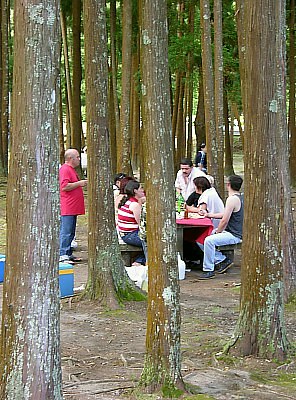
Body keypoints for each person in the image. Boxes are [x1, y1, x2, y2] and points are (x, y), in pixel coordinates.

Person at [199, 175, 244, 279]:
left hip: (235, 234)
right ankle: (221, 259)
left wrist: (218, 231)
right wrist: (209, 215)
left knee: (209, 240)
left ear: (228, 185)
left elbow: (224, 220)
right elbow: (225, 214)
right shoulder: (240, 197)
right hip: (234, 232)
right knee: (203, 237)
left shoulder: (231, 199)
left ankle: (208, 269)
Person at [59, 149, 87, 263]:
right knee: (66, 231)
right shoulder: (65, 170)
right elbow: (64, 186)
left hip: (73, 206)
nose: (79, 159)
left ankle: (68, 252)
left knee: (71, 231)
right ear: (71, 158)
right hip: (67, 206)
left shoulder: (70, 170)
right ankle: (63, 254)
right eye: (77, 157)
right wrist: (80, 183)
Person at [117, 180, 146, 266]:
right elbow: (141, 224)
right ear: (135, 191)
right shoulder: (134, 205)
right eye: (141, 188)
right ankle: (140, 260)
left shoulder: (127, 201)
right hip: (130, 235)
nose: (143, 190)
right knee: (154, 241)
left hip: (126, 233)